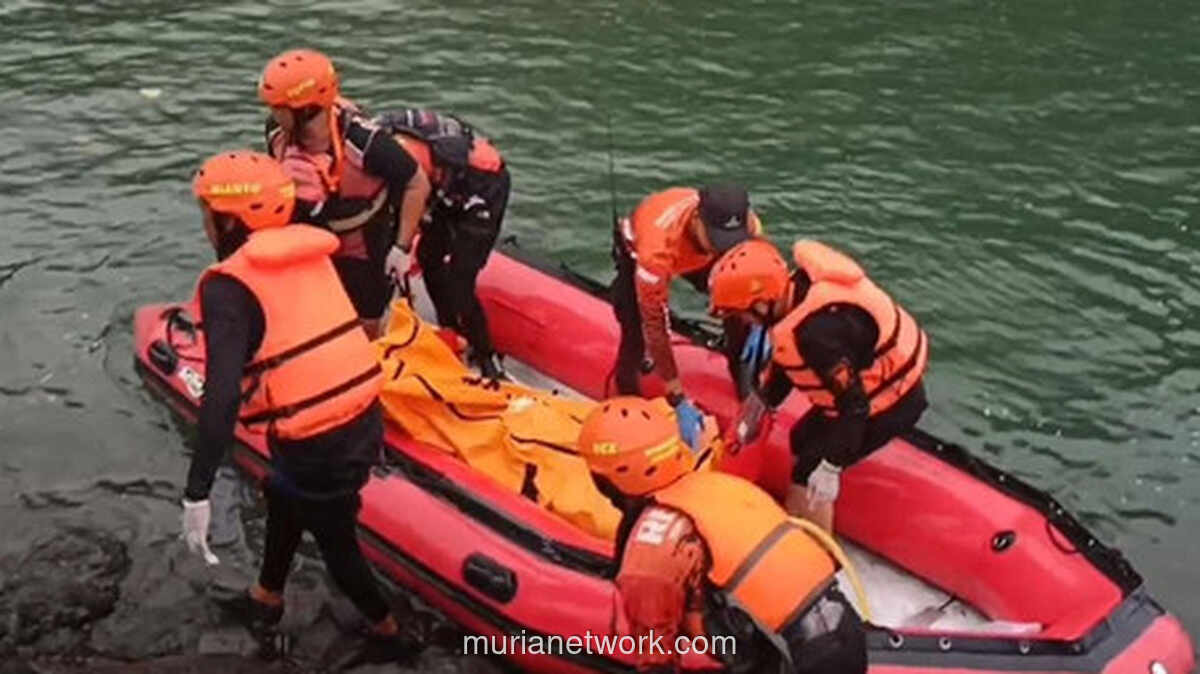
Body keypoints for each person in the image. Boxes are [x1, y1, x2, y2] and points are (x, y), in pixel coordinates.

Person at [179, 150, 414, 667]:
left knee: (336, 543)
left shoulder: (229, 286)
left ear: (229, 218)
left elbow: (219, 398)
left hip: (319, 438)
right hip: (359, 417)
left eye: (207, 213)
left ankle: (391, 632)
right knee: (283, 495)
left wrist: (198, 492)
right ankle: (267, 597)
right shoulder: (308, 252)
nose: (203, 224)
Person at [577, 397, 867, 674]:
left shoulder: (650, 552)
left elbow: (656, 658)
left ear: (607, 480)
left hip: (792, 659)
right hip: (845, 632)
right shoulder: (720, 485)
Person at [707, 239, 928, 532]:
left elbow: (856, 406)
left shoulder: (817, 337)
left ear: (761, 302)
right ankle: (801, 515)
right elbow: (786, 365)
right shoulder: (795, 295)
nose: (745, 321)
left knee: (809, 469)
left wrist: (831, 466)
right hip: (860, 390)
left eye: (743, 313)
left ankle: (817, 554)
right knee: (801, 438)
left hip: (889, 402)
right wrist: (760, 405)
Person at [258, 48, 430, 339]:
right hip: (308, 236)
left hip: (363, 243)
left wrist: (401, 248)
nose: (272, 113)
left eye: (278, 107)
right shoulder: (276, 132)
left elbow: (417, 182)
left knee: (366, 320)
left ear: (306, 110)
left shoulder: (366, 143)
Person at [610, 185, 765, 445]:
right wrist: (677, 396)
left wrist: (760, 320)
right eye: (717, 241)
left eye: (731, 242)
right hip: (642, 252)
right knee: (635, 335)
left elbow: (756, 264)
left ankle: (740, 369)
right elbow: (655, 325)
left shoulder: (748, 224)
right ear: (697, 221)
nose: (724, 248)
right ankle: (628, 401)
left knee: (741, 310)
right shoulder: (656, 250)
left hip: (699, 259)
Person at [373, 107, 510, 378]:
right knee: (429, 258)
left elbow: (415, 196)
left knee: (461, 281)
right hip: (442, 186)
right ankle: (450, 330)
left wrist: (400, 246)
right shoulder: (374, 143)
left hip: (480, 190)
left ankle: (487, 356)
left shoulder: (407, 166)